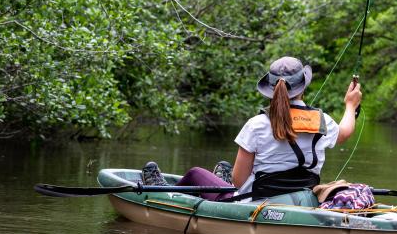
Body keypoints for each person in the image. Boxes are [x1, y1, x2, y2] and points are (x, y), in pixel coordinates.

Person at [143, 56, 361, 202]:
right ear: (303, 86)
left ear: (271, 88)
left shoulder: (257, 124)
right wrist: (350, 105)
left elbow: (237, 182)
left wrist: (230, 181)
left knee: (195, 174)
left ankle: (164, 194)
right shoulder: (322, 121)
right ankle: (219, 175)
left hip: (254, 204)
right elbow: (345, 132)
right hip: (301, 200)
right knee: (222, 170)